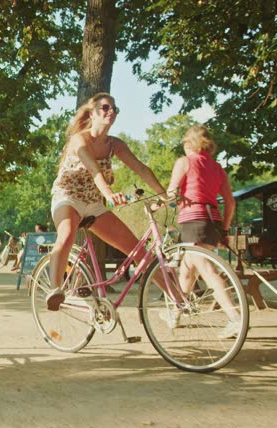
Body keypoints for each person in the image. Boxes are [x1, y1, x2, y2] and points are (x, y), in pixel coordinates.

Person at [46, 93, 168, 311]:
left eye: (114, 108)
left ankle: (179, 300)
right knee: (66, 234)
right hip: (67, 196)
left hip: (93, 202)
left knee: (137, 250)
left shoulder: (115, 145)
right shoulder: (79, 140)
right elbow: (94, 171)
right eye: (105, 107)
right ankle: (55, 290)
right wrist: (110, 194)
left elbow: (140, 168)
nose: (110, 111)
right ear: (92, 114)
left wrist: (164, 194)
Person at [165, 124, 240, 338]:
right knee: (187, 269)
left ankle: (234, 317)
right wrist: (224, 228)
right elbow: (230, 202)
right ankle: (177, 313)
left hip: (193, 221)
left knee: (207, 270)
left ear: (189, 143)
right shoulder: (218, 168)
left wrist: (156, 206)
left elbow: (171, 193)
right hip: (212, 221)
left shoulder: (185, 162)